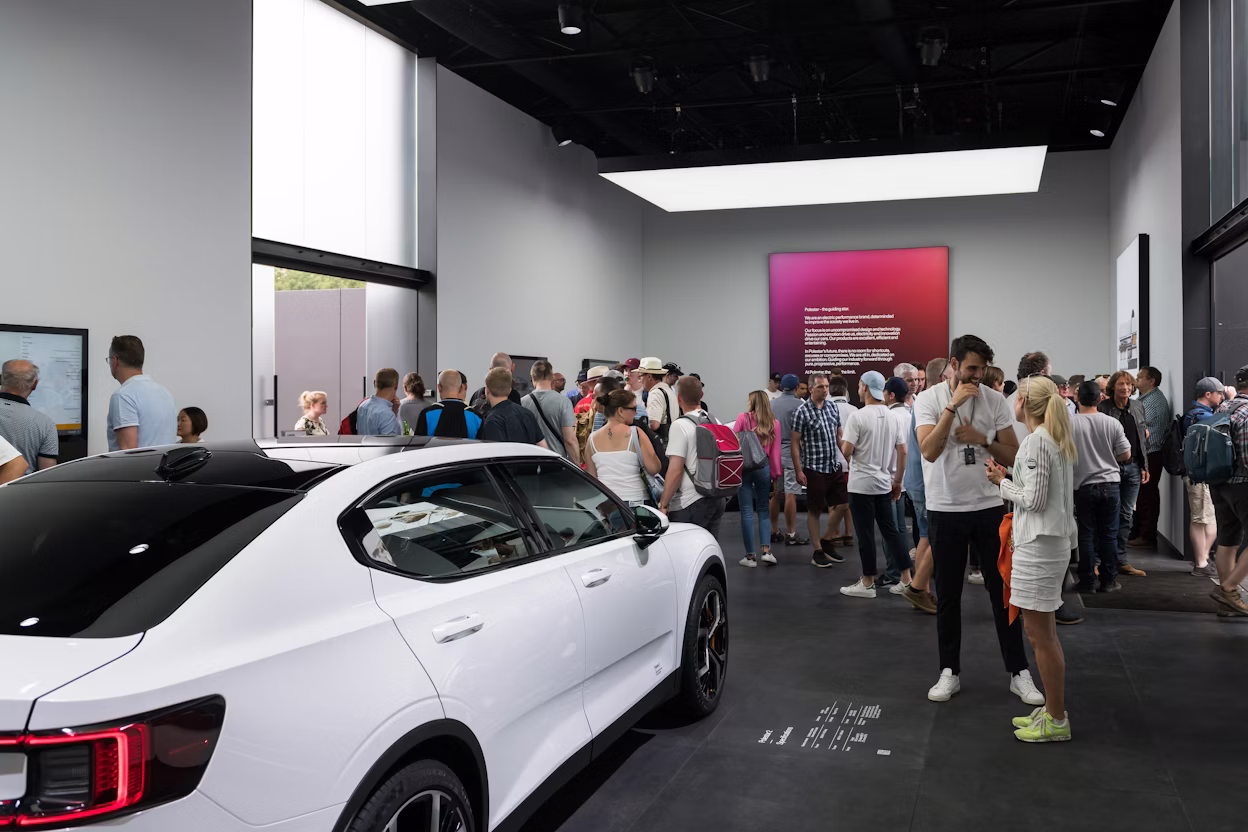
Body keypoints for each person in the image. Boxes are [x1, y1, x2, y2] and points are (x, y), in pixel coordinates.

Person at [915, 334, 1041, 706]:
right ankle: (949, 671)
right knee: (949, 594)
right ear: (953, 365)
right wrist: (952, 408)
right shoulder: (928, 399)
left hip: (989, 505)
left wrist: (983, 438)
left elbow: (1014, 453)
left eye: (982, 369)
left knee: (1002, 591)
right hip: (945, 506)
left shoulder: (994, 400)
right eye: (971, 368)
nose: (977, 376)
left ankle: (1019, 671)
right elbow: (929, 450)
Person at [985, 376, 1077, 743]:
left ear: (1022, 400)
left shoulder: (1037, 443)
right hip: (1045, 544)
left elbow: (1034, 501)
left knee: (1040, 637)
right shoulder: (1051, 441)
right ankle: (1053, 710)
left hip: (1038, 547)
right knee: (1042, 634)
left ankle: (1056, 719)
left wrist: (1000, 482)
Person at [839, 371, 911, 598]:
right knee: (892, 533)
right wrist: (897, 481)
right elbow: (903, 451)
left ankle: (868, 583)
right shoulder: (893, 416)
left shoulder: (858, 417)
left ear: (866, 388)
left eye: (860, 385)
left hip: (861, 486)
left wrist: (848, 446)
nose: (859, 389)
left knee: (866, 535)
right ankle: (907, 580)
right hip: (884, 483)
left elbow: (847, 451)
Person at [901, 358, 952, 615]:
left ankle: (922, 590)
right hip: (923, 482)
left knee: (926, 536)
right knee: (929, 537)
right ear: (944, 377)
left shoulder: (924, 401)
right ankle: (921, 590)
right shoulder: (930, 401)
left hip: (918, 480)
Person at [1070, 381, 1131, 593]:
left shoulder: (1070, 424)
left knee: (1086, 534)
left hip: (1083, 486)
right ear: (1100, 398)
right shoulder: (1112, 423)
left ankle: (1087, 582)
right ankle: (1109, 581)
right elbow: (1125, 454)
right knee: (1109, 535)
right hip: (1111, 484)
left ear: (1077, 398)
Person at [791, 373, 850, 567]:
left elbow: (839, 435)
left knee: (843, 504)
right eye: (820, 387)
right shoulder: (802, 412)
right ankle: (817, 550)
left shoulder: (832, 407)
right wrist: (798, 470)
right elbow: (795, 443)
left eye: (826, 386)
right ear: (810, 390)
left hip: (833, 465)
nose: (825, 390)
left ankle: (826, 540)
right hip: (814, 468)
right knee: (815, 510)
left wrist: (848, 455)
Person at [659, 376, 726, 536]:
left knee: (686, 553)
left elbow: (675, 471)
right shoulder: (713, 419)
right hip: (716, 496)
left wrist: (663, 504)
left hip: (691, 501)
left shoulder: (679, 425)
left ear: (679, 398)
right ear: (701, 396)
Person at [1098, 370, 1149, 577]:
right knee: (1106, 513)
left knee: (1126, 515)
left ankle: (1121, 560)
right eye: (1121, 384)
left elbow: (1142, 439)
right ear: (1113, 387)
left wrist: (1145, 466)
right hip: (1110, 467)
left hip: (1134, 467)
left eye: (1128, 384)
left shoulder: (1137, 406)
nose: (1125, 388)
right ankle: (1100, 561)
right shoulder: (1103, 408)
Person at [1208, 366, 1248, 615]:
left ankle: (1228, 601)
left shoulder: (1224, 407)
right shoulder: (1246, 412)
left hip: (1219, 483)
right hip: (1243, 484)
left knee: (1228, 540)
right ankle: (1229, 587)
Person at [584, 388, 661, 507]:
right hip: (636, 502)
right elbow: (654, 468)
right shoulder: (635, 433)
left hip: (608, 504)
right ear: (620, 410)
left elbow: (592, 478)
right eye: (633, 408)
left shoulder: (592, 439)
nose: (635, 413)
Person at [1183, 377, 1226, 578]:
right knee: (1201, 519)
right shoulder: (1200, 416)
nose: (1222, 397)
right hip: (1200, 477)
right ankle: (1201, 563)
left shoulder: (1195, 415)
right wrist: (1228, 404)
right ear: (1208, 395)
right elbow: (1222, 426)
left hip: (1200, 476)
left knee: (1207, 519)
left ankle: (1203, 558)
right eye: (1220, 394)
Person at [733, 391, 782, 567]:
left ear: (752, 403)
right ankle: (766, 551)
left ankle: (750, 557)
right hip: (764, 468)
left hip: (744, 469)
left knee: (746, 511)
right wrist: (776, 477)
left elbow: (733, 443)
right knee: (763, 510)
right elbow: (775, 454)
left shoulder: (742, 418)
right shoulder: (774, 424)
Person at [105, 335, 176, 451]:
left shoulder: (123, 396)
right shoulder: (164, 392)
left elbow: (128, 453)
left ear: (114, 361)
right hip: (163, 467)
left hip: (138, 469)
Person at [1130, 366, 1170, 550]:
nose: (1136, 380)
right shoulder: (1146, 399)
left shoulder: (1153, 401)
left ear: (1151, 380)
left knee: (1147, 495)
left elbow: (1140, 428)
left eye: (1140, 377)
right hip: (1147, 453)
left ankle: (1147, 535)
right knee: (1143, 496)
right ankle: (1140, 533)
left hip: (1151, 454)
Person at [882, 375, 914, 585]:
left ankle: (894, 572)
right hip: (905, 478)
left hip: (891, 479)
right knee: (900, 528)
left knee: (890, 530)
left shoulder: (889, 417)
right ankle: (903, 569)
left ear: (891, 394)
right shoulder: (911, 415)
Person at [769, 374, 808, 547]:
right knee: (791, 493)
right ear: (796, 387)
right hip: (792, 453)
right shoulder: (800, 405)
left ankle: (774, 531)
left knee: (777, 493)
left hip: (774, 453)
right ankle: (791, 533)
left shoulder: (771, 404)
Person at [0, 360, 58, 473]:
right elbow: (48, 473)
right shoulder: (46, 424)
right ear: (35, 385)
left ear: (0, 379)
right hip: (21, 490)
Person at [522, 360, 580, 464]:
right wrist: (577, 467)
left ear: (533, 378)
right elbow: (569, 440)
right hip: (556, 463)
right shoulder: (563, 402)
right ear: (551, 378)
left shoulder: (522, 402)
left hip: (530, 463)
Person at [824, 376, 859, 548]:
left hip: (833, 462)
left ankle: (835, 534)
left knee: (833, 501)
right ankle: (848, 534)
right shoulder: (854, 410)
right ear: (845, 391)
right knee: (849, 500)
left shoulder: (826, 409)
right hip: (852, 462)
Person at [480, 368, 547, 447]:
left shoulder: (492, 420)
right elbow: (544, 447)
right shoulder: (527, 413)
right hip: (531, 459)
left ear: (487, 390)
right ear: (510, 390)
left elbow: (497, 455)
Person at [415, 369, 482, 439]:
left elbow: (418, 445)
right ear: (462, 387)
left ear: (439, 388)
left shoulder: (427, 414)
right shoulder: (476, 417)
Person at [356, 368, 403, 436]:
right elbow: (390, 444)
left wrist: (394, 411)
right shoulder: (387, 414)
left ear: (375, 383)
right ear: (396, 386)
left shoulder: (362, 406)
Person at [639, 357, 676, 441]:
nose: (639, 380)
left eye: (640, 376)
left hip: (662, 442)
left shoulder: (655, 393)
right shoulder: (668, 390)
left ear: (649, 376)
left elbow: (654, 425)